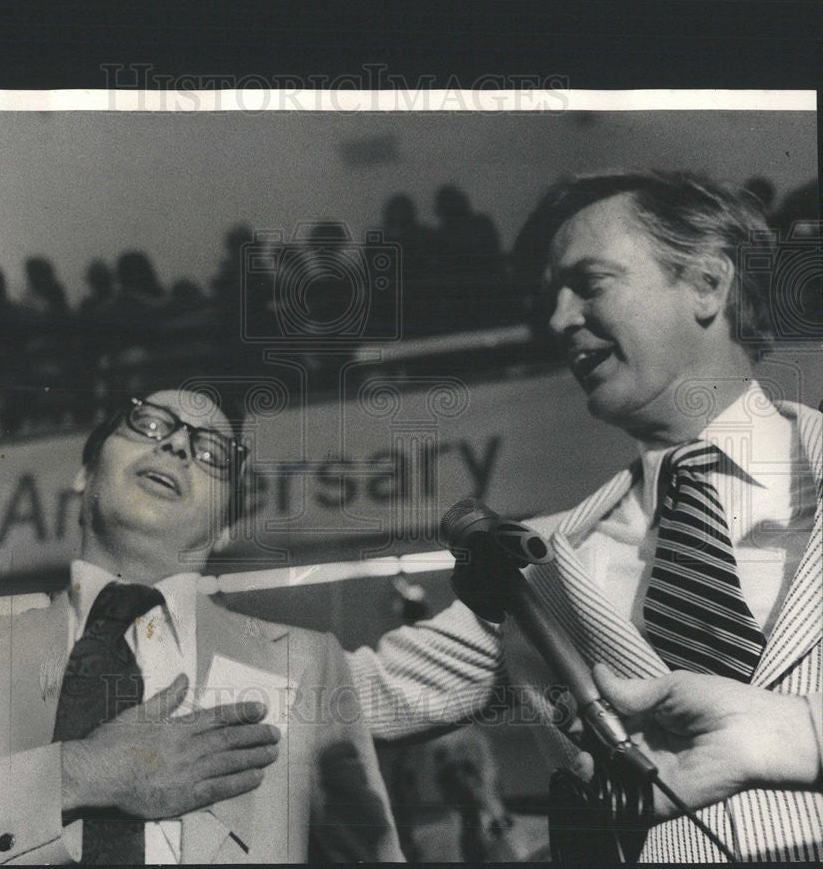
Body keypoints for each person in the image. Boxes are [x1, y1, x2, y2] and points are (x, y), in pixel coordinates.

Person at [349, 171, 822, 862]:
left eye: (589, 282)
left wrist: (800, 735)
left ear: (707, 286)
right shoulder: (538, 568)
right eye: (552, 296)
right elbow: (343, 691)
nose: (557, 318)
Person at [0, 386, 402, 865]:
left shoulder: (303, 663)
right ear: (85, 471)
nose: (178, 444)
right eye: (150, 422)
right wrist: (78, 773)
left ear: (226, 525)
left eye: (212, 451)